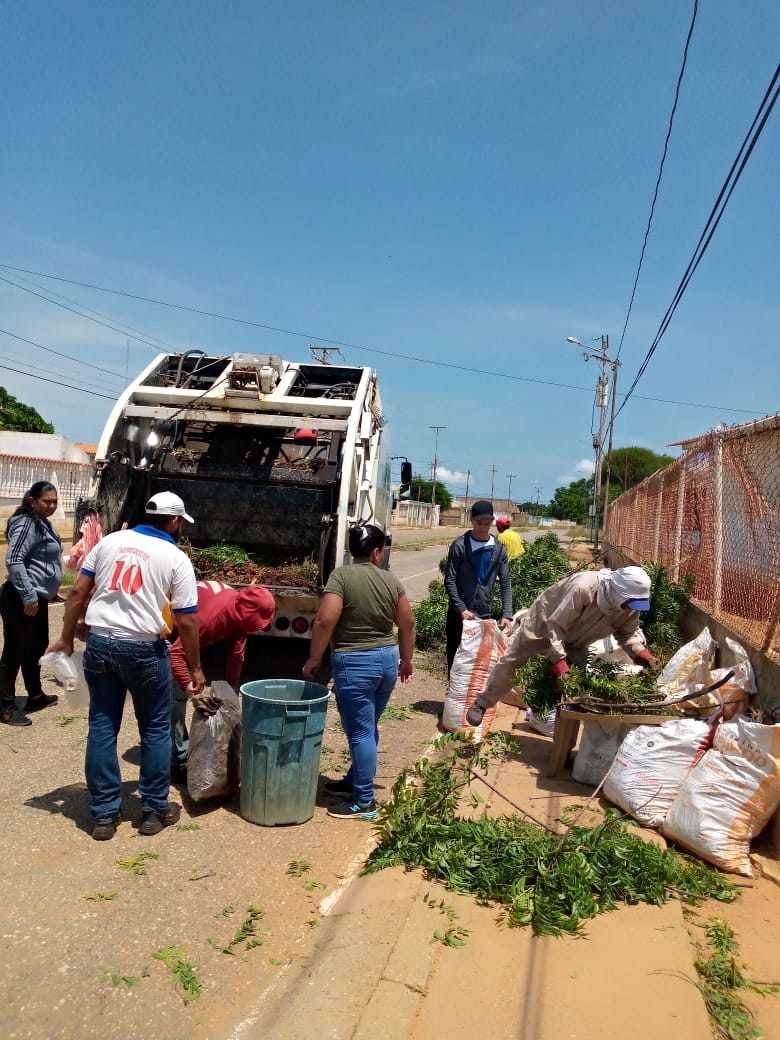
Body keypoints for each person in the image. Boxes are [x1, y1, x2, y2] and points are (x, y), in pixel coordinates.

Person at [46, 491, 205, 841]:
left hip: (100, 644)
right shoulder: (176, 558)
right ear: (174, 521)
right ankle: (153, 810)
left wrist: (67, 638)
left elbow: (77, 593)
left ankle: (104, 814)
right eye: (181, 522)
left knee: (102, 727)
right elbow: (187, 620)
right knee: (156, 729)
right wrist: (195, 668)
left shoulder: (110, 543)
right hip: (144, 649)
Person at [302, 523, 415, 821]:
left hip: (355, 663)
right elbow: (407, 623)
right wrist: (407, 660)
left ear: (353, 551)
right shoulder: (390, 580)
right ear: (377, 552)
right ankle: (355, 780)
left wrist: (314, 659)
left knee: (361, 731)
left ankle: (364, 801)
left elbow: (325, 621)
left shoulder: (341, 577)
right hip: (387, 660)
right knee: (368, 726)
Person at [466, 565, 657, 727]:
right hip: (543, 625)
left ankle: (561, 733)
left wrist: (642, 654)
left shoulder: (628, 606)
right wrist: (559, 662)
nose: (632, 609)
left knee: (578, 684)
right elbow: (555, 627)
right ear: (618, 593)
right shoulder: (583, 588)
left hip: (578, 639)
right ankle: (482, 703)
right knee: (513, 662)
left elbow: (628, 633)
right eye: (630, 603)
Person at [167, 580, 276, 779]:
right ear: (247, 614)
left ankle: (184, 753)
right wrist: (191, 690)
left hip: (188, 633)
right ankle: (178, 761)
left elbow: (236, 654)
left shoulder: (239, 612)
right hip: (168, 630)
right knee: (175, 699)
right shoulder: (212, 618)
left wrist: (232, 689)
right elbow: (176, 653)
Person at [1, 481, 63, 726]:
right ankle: (5, 707)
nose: (52, 505)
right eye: (47, 501)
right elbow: (14, 559)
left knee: (36, 647)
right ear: (32, 500)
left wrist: (50, 591)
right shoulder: (26, 522)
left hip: (38, 597)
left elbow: (41, 562)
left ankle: (35, 695)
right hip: (20, 598)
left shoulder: (42, 522)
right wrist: (28, 595)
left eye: (55, 501)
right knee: (14, 651)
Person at [443, 500, 513, 674]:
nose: (482, 527)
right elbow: (450, 580)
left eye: (486, 523)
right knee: (456, 660)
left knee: (478, 664)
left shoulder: (498, 550)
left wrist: (507, 614)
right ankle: (453, 689)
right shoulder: (460, 545)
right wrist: (461, 608)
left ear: (492, 522)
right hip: (458, 616)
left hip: (482, 615)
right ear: (471, 520)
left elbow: (505, 582)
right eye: (478, 522)